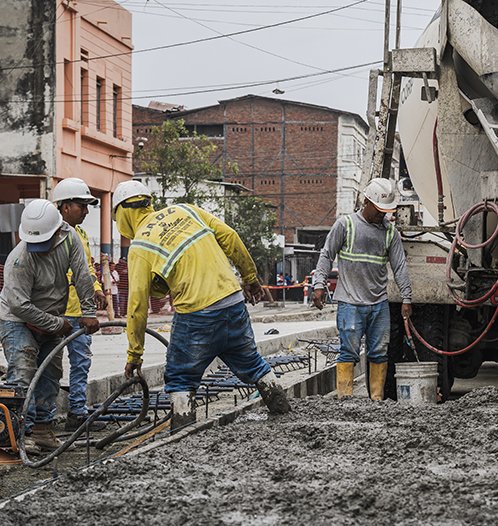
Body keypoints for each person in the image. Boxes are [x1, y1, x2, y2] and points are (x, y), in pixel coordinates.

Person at [111, 180, 290, 431]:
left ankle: (183, 435)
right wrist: (250, 278)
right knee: (252, 363)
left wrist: (134, 355)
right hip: (233, 300)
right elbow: (230, 236)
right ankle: (284, 414)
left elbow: (137, 305)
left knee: (180, 376)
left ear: (122, 214)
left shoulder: (140, 246)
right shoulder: (185, 210)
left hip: (197, 314)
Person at [0, 199, 97, 454]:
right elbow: (19, 306)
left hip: (53, 316)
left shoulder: (70, 238)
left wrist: (88, 312)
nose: (39, 248)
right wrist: (58, 323)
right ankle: (20, 434)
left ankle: (42, 430)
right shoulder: (19, 260)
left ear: (57, 231)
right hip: (18, 320)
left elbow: (82, 274)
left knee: (51, 375)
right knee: (23, 374)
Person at [312, 178, 412, 401]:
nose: (382, 215)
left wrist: (407, 297)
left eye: (386, 211)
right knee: (349, 352)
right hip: (350, 304)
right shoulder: (345, 225)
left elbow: (400, 267)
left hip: (379, 305)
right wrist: (319, 284)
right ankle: (345, 401)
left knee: (379, 353)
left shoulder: (389, 233)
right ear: (366, 202)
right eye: (379, 210)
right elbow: (327, 255)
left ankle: (376, 400)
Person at [51, 178, 109, 431]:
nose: (86, 212)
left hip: (80, 313)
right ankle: (43, 418)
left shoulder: (82, 234)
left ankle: (77, 413)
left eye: (88, 207)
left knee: (81, 364)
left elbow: (86, 269)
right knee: (50, 366)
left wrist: (96, 288)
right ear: (65, 206)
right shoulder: (51, 234)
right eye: (81, 206)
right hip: (56, 313)